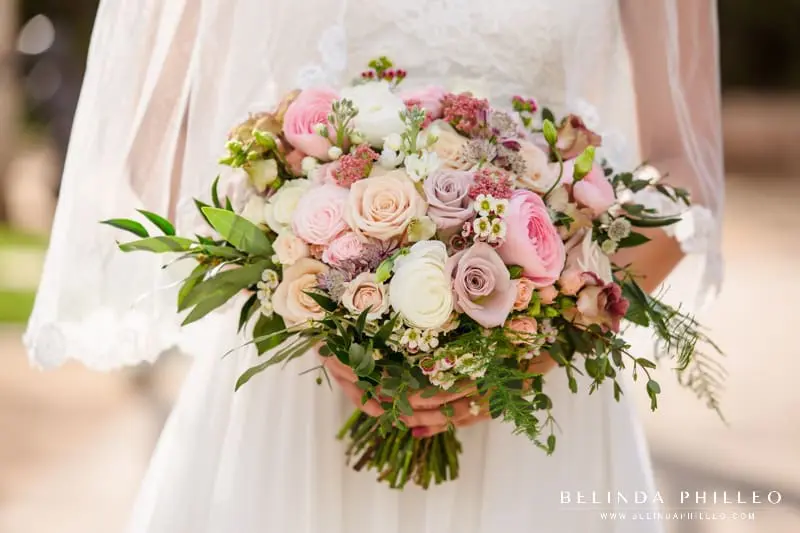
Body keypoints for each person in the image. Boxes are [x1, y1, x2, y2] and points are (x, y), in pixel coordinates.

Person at [24, 1, 724, 531]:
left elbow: (688, 174)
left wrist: (550, 323)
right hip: (300, 387)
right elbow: (159, 149)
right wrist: (304, 277)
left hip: (540, 400)